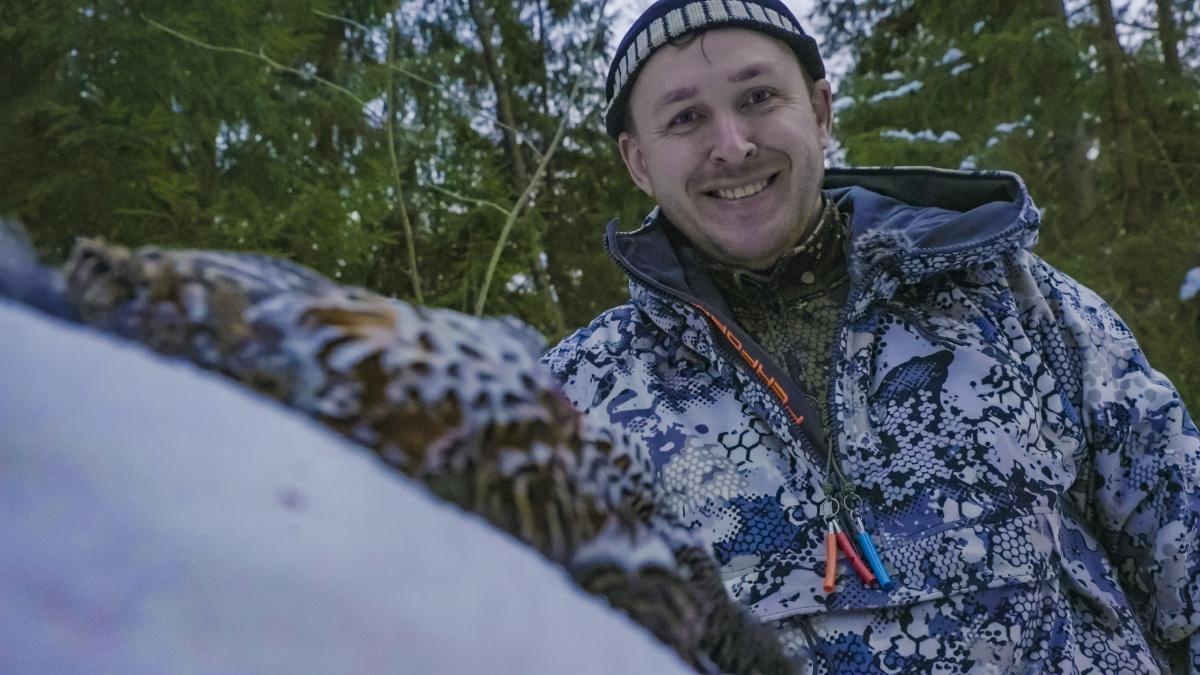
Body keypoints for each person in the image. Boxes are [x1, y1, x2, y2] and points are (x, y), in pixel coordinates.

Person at [541, 0, 1200, 671]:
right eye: (686, 117)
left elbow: (1184, 531)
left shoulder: (1011, 298)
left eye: (758, 97)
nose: (733, 145)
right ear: (639, 162)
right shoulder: (577, 401)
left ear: (820, 110)